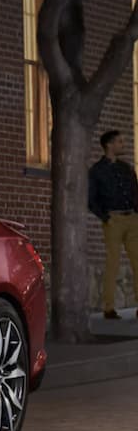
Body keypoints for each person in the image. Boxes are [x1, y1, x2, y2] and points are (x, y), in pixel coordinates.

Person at [88, 130, 138, 319]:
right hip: (113, 220)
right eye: (119, 141)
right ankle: (109, 308)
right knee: (113, 263)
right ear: (109, 145)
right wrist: (105, 217)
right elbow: (91, 199)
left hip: (132, 219)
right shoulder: (97, 171)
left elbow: (135, 191)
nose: (122, 144)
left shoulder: (126, 168)